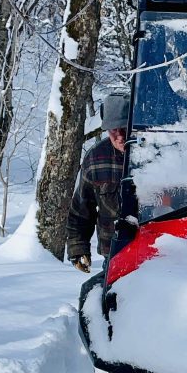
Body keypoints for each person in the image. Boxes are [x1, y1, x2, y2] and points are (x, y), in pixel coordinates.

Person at [66, 93, 130, 272]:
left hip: (155, 252)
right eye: (113, 130)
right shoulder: (96, 158)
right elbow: (81, 209)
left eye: (124, 128)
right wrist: (78, 248)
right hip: (114, 255)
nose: (119, 136)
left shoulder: (158, 153)